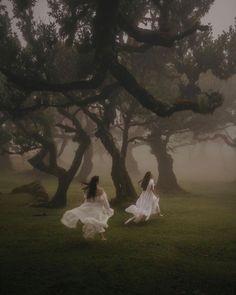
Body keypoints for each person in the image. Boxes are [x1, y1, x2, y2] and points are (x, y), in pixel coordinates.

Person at [61, 176, 113, 240]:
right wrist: (108, 209)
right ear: (97, 182)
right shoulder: (101, 191)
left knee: (93, 221)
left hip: (88, 207)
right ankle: (101, 237)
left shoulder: (88, 191)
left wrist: (83, 206)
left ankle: (98, 236)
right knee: (98, 221)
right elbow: (104, 201)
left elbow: (86, 200)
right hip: (97, 209)